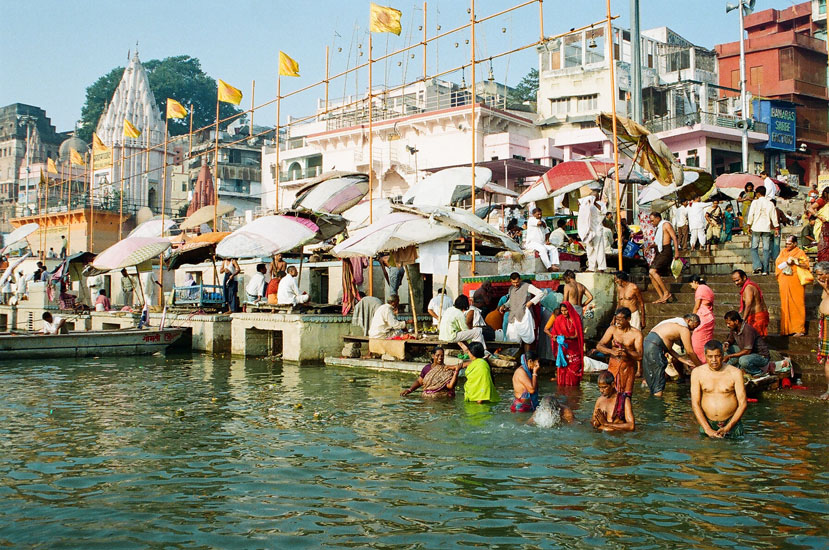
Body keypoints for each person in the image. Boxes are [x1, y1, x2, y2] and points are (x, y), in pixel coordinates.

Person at [690, 340, 747, 438]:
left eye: (717, 356)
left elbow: (743, 404)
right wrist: (707, 429)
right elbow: (695, 404)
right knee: (705, 452)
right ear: (705, 356)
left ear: (723, 355)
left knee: (732, 452)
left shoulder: (735, 373)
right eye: (710, 356)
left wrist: (728, 427)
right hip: (707, 423)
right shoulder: (697, 373)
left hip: (731, 423)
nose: (714, 360)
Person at [642, 314, 702, 397]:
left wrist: (684, 361)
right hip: (654, 347)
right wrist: (701, 368)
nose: (693, 330)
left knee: (653, 381)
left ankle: (653, 401)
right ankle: (657, 405)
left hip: (647, 344)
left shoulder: (672, 323)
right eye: (694, 327)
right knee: (658, 382)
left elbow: (669, 348)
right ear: (689, 321)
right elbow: (690, 352)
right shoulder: (683, 328)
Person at [596, 308, 643, 397]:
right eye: (616, 319)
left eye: (621, 320)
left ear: (628, 319)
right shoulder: (612, 329)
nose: (618, 322)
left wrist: (626, 350)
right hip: (613, 367)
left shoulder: (636, 334)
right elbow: (599, 346)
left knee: (626, 397)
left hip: (627, 370)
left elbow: (640, 356)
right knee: (609, 394)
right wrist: (611, 351)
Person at [722, 311, 782, 376]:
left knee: (743, 360)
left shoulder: (748, 330)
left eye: (729, 323)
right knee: (725, 349)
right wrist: (727, 343)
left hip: (761, 356)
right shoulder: (733, 328)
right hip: (747, 352)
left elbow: (747, 351)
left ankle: (759, 372)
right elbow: (731, 339)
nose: (727, 325)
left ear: (736, 321)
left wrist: (730, 356)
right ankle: (729, 367)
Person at [500, 272, 545, 352]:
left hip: (525, 316)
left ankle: (527, 359)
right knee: (513, 341)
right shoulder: (511, 289)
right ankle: (517, 361)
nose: (515, 284)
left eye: (517, 282)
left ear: (520, 280)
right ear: (511, 281)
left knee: (527, 339)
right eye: (513, 282)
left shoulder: (527, 286)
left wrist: (530, 302)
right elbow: (511, 300)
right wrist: (504, 305)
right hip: (513, 317)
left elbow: (540, 293)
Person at [774, 236, 810, 337]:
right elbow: (778, 264)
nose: (787, 246)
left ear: (795, 244)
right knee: (785, 304)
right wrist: (786, 261)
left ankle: (799, 329)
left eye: (789, 243)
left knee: (797, 304)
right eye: (786, 243)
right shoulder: (783, 252)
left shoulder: (800, 252)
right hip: (784, 280)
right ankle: (786, 329)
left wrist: (795, 261)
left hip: (795, 281)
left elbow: (806, 265)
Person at [547, 301, 584, 386]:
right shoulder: (559, 319)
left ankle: (574, 394)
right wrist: (555, 337)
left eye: (566, 310)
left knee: (574, 372)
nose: (564, 313)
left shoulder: (576, 318)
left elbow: (577, 335)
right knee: (562, 370)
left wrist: (567, 337)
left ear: (569, 309)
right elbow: (553, 332)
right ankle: (562, 393)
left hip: (574, 349)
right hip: (563, 350)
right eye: (562, 311)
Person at [745, 186, 779, 275]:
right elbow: (774, 216)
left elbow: (751, 214)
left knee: (754, 248)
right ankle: (765, 270)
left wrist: (749, 224)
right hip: (766, 228)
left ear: (758, 194)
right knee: (766, 249)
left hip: (756, 227)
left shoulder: (755, 202)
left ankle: (757, 266)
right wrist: (776, 227)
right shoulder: (770, 203)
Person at [648, 211, 677, 304]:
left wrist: (676, 251)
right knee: (651, 275)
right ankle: (662, 297)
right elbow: (658, 242)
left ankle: (666, 292)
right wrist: (650, 247)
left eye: (653, 220)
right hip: (659, 252)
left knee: (652, 271)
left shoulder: (666, 225)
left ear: (658, 218)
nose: (652, 223)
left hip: (666, 251)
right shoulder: (658, 228)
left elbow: (674, 238)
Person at [732, 269, 769, 336]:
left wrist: (743, 319)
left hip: (757, 317)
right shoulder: (749, 286)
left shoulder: (748, 288)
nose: (736, 283)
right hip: (756, 316)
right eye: (734, 281)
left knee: (756, 339)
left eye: (737, 280)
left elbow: (748, 304)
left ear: (744, 277)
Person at [577, 189, 607, 272]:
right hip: (588, 229)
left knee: (599, 248)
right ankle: (591, 267)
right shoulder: (587, 204)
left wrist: (594, 202)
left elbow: (603, 211)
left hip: (597, 229)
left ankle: (601, 267)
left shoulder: (601, 204)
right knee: (590, 249)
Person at [523, 208, 560, 272]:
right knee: (543, 249)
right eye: (538, 214)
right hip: (532, 243)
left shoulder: (543, 220)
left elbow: (547, 232)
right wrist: (543, 223)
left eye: (541, 214)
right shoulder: (531, 219)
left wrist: (547, 240)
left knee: (553, 248)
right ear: (534, 214)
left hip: (541, 243)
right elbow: (539, 223)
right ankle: (549, 267)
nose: (540, 216)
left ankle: (553, 264)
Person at [689, 275, 715, 364]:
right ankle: (707, 362)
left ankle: (700, 363)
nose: (691, 287)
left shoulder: (700, 288)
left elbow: (697, 306)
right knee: (706, 342)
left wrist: (692, 317)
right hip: (709, 317)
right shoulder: (707, 288)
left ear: (695, 282)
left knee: (697, 343)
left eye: (691, 284)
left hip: (703, 318)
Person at [814, 262, 829, 400]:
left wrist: (825, 287)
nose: (818, 278)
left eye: (820, 275)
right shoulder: (825, 285)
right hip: (825, 325)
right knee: (827, 361)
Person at [807, 187, 829, 262]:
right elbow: (810, 208)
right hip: (823, 225)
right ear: (826, 194)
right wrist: (818, 216)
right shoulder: (822, 201)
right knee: (824, 246)